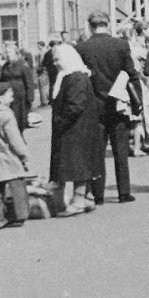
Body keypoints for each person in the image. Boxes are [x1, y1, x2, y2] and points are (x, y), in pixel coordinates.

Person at [76, 11, 140, 204]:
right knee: (121, 150)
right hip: (118, 105)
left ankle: (98, 195)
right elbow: (132, 74)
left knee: (97, 152)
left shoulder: (82, 48)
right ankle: (124, 192)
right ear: (108, 24)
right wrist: (138, 103)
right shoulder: (120, 45)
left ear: (89, 25)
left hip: (94, 107)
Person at [48, 44, 104, 216]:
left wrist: (60, 121)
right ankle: (83, 197)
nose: (55, 63)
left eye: (58, 59)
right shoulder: (70, 75)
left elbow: (75, 106)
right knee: (76, 163)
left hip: (76, 129)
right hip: (76, 128)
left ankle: (79, 199)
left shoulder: (76, 77)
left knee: (76, 163)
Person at [0, 82, 33, 228]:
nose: (12, 98)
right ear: (0, 97)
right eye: (9, 95)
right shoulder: (6, 115)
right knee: (17, 184)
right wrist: (24, 155)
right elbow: (14, 139)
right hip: (8, 155)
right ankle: (19, 215)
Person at [0, 42, 34, 136]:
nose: (8, 55)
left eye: (9, 53)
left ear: (15, 52)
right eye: (6, 53)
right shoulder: (6, 65)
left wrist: (30, 99)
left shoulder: (23, 65)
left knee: (19, 119)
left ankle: (19, 137)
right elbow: (1, 79)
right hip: (7, 97)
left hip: (20, 97)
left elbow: (29, 82)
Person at [40, 36, 61, 104]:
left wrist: (48, 67)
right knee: (58, 83)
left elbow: (44, 63)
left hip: (50, 71)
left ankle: (52, 99)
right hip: (58, 70)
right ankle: (58, 98)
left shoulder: (47, 53)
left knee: (52, 84)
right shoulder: (59, 52)